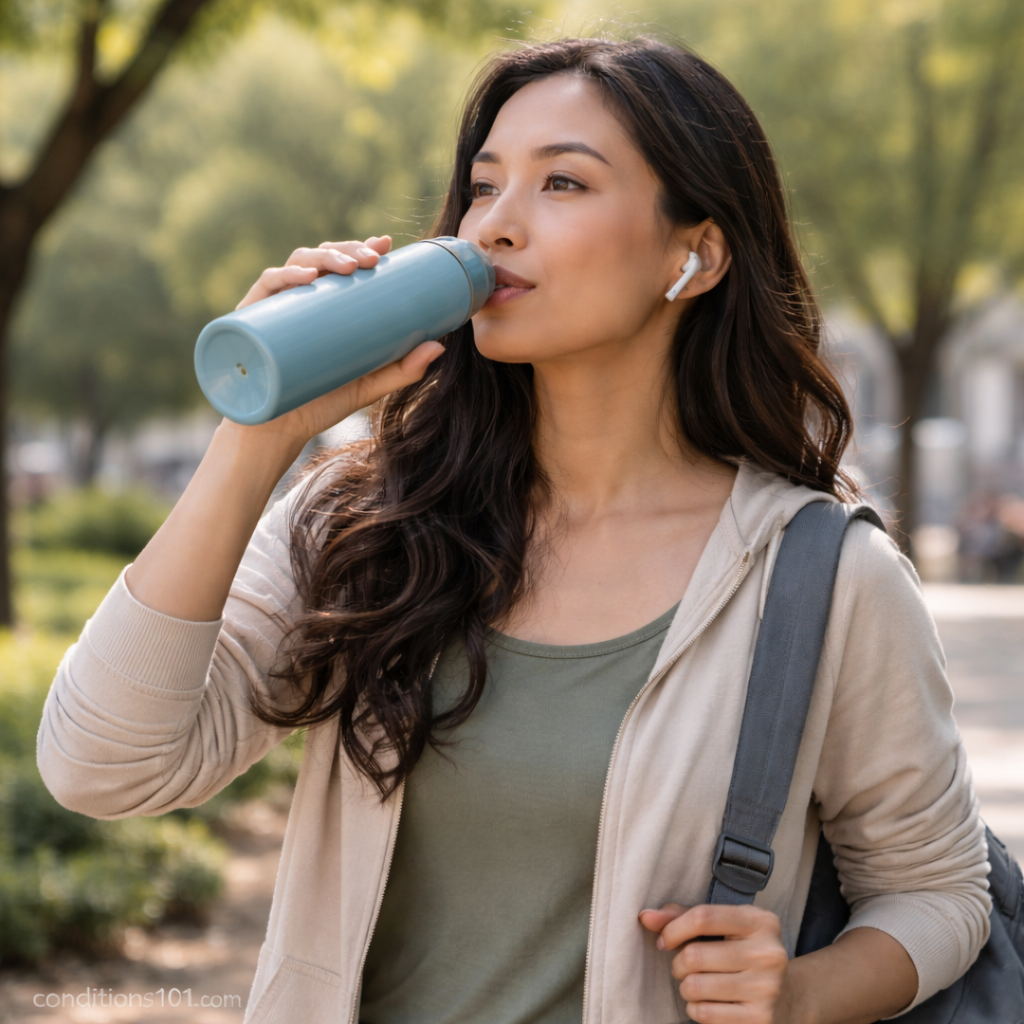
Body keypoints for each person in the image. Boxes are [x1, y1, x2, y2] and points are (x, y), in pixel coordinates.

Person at [38, 37, 990, 1024]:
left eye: (562, 183)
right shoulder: (369, 522)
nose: (494, 225)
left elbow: (937, 890)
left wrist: (799, 990)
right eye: (482, 187)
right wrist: (254, 442)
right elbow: (101, 765)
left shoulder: (823, 577)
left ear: (693, 253)